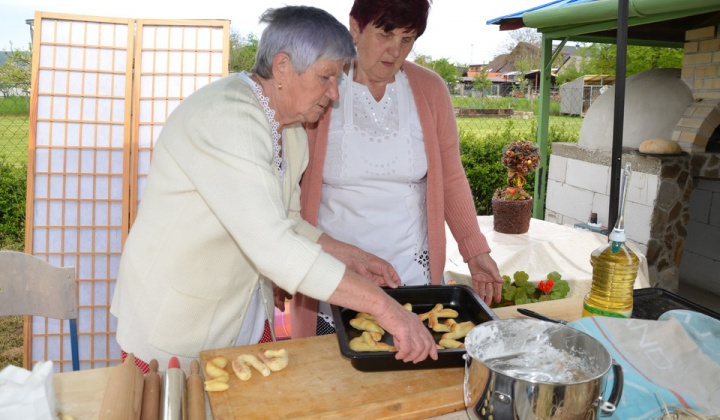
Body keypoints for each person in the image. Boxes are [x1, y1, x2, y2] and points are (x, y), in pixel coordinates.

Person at [110, 5, 437, 371]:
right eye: (326, 77)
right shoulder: (227, 117)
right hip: (178, 321)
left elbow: (289, 223)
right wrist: (383, 306)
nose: (334, 93)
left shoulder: (292, 129)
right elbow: (274, 246)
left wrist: (353, 256)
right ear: (282, 68)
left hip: (240, 314)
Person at [290, 0, 505, 338]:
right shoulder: (322, 86)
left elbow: (450, 176)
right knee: (333, 378)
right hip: (332, 277)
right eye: (385, 34)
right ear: (355, 27)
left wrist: (475, 250)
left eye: (408, 39)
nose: (394, 50)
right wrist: (283, 261)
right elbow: (288, 183)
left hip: (410, 279)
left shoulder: (430, 89)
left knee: (409, 378)